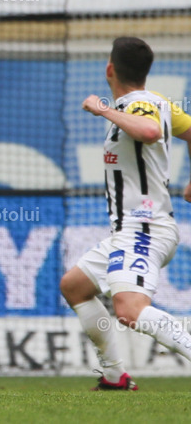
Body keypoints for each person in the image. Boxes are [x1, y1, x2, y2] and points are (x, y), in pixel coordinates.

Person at [60, 36, 191, 391]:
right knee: (74, 286)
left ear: (110, 69)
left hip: (145, 227)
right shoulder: (158, 102)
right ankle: (115, 376)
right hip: (131, 231)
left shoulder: (138, 105)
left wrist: (102, 109)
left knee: (129, 310)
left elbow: (148, 131)